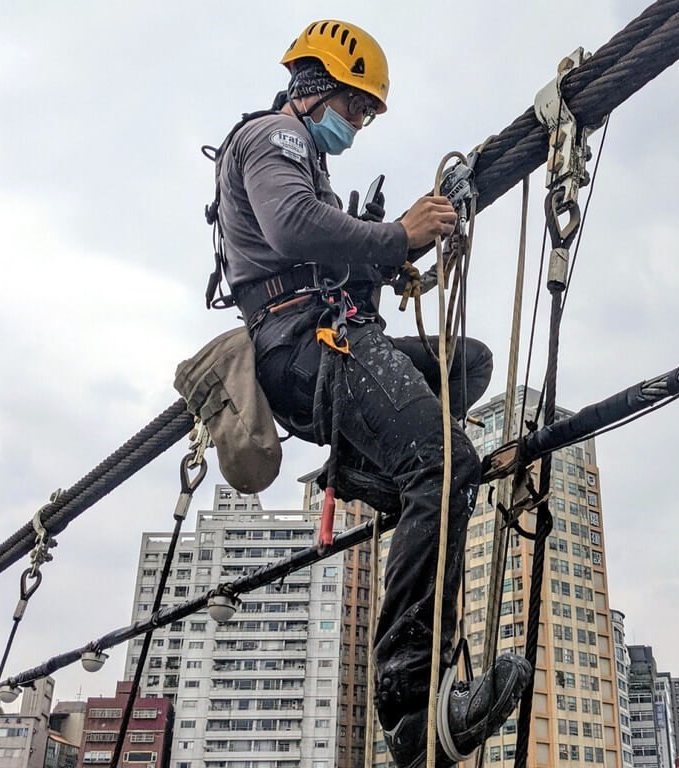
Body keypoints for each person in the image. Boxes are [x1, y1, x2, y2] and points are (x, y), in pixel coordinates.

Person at [207, 19, 532, 767]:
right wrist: (396, 237)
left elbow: (319, 244)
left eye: (366, 115)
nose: (358, 124)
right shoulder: (274, 138)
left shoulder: (304, 164)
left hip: (328, 338)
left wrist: (394, 246)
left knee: (466, 364)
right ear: (319, 85)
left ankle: (371, 471)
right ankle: (412, 706)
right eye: (356, 108)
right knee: (447, 463)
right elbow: (291, 229)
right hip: (305, 348)